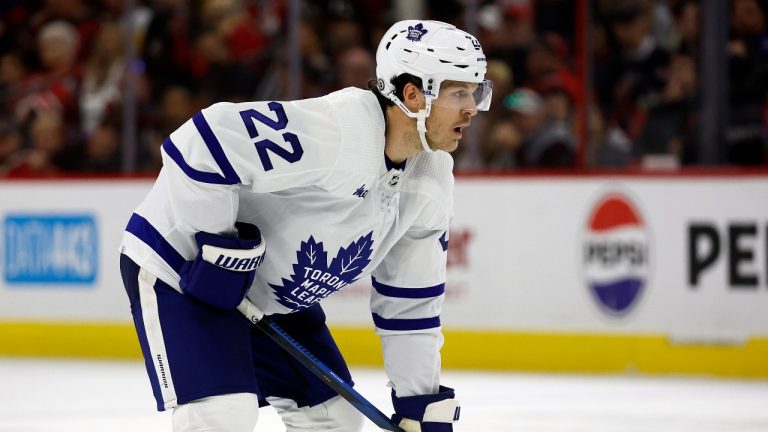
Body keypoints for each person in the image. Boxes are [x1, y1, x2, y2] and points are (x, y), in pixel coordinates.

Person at [119, 20, 492, 432]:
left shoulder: (431, 178)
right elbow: (204, 139)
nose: (472, 107)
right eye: (459, 93)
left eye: (476, 92)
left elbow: (411, 305)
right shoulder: (338, 130)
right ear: (413, 94)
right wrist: (219, 248)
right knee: (222, 414)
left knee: (335, 420)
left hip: (271, 301)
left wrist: (418, 402)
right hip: (185, 274)